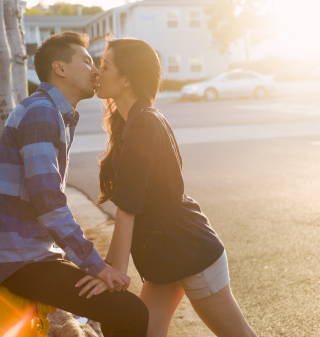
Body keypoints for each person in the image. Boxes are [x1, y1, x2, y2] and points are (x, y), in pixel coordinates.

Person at [0, 32, 148, 337]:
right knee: (129, 311)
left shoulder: (50, 112)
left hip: (26, 254)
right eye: (87, 61)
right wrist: (96, 266)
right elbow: (48, 202)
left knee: (117, 307)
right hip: (18, 259)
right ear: (60, 68)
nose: (96, 70)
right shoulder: (41, 113)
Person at [90, 37, 258, 337]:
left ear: (127, 79)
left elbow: (127, 209)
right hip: (165, 258)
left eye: (104, 66)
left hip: (191, 255)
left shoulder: (144, 124)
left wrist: (111, 273)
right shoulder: (131, 122)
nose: (96, 72)